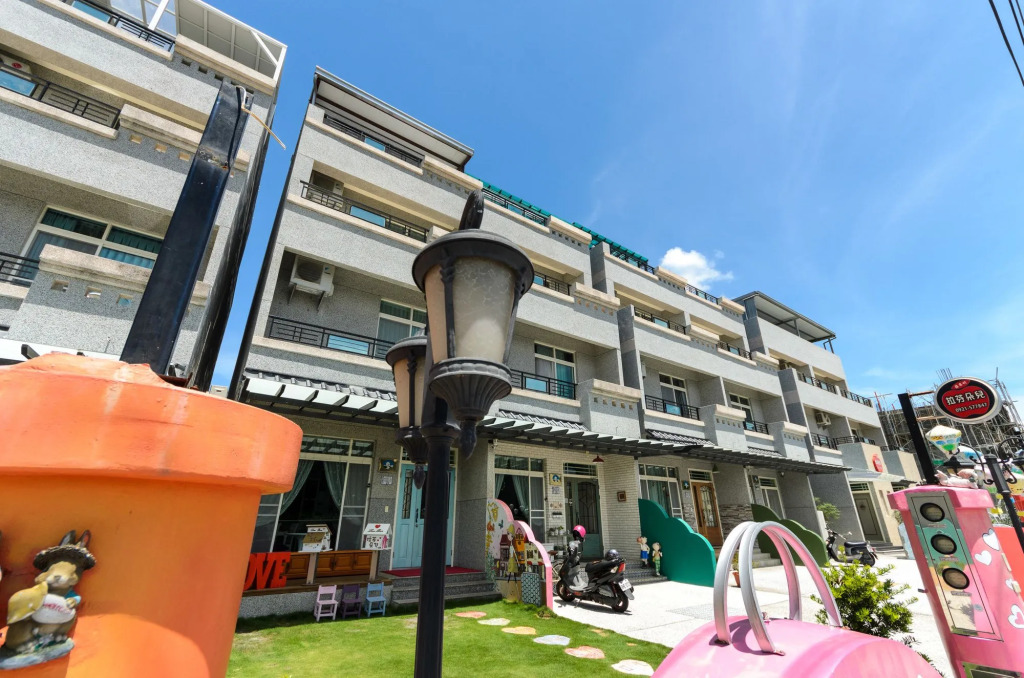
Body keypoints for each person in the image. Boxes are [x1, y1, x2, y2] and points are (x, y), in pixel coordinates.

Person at [566, 525, 587, 590]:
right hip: (575, 563)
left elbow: (572, 555)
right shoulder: (577, 544)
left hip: (573, 563)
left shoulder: (573, 543)